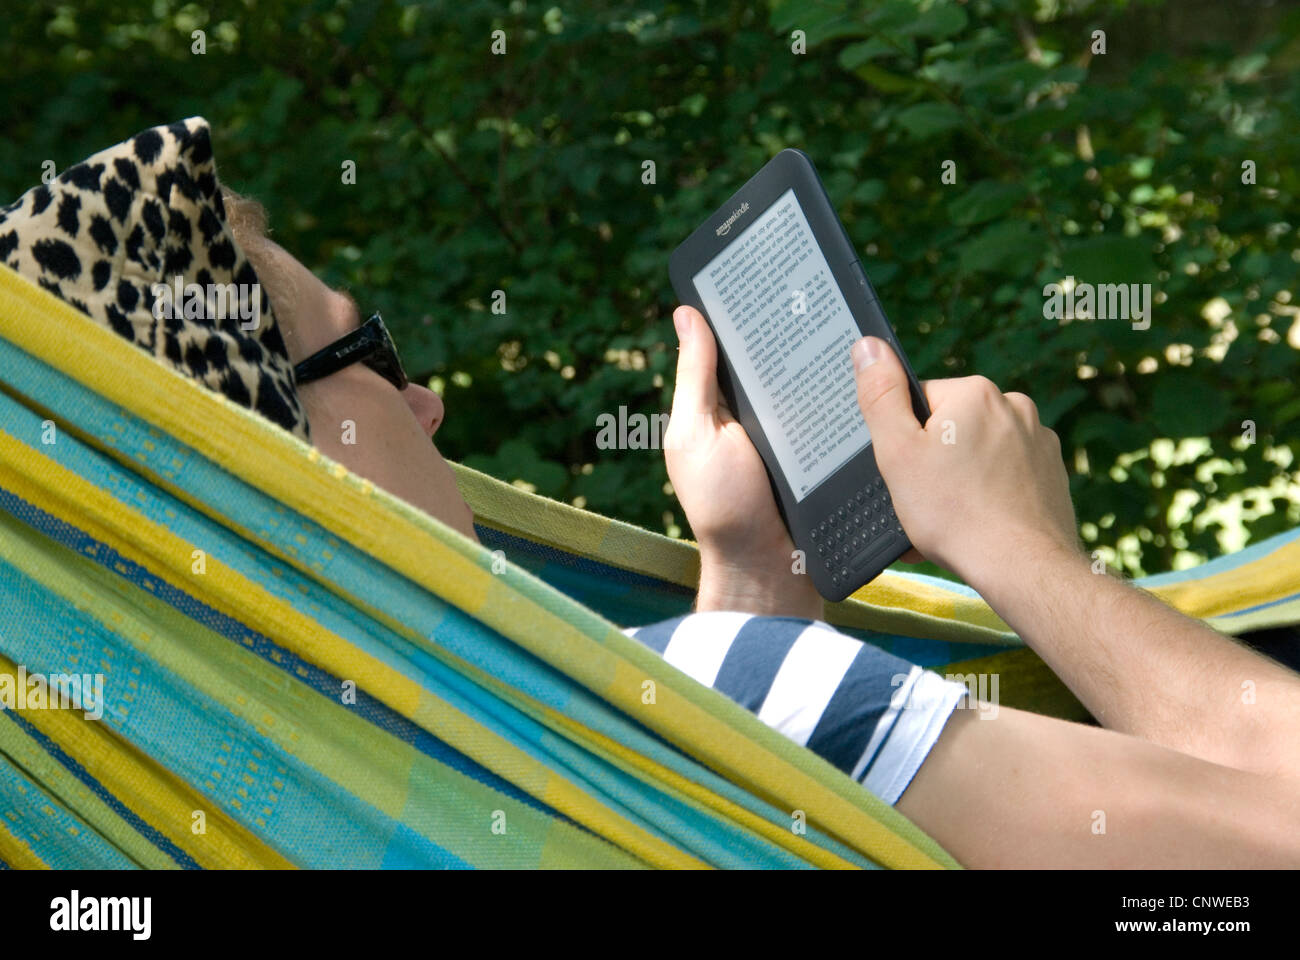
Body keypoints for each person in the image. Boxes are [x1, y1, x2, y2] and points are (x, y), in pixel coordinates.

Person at [6, 119, 1298, 867]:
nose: (427, 404)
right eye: (367, 350)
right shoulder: (701, 707)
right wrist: (1021, 553)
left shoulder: (245, 828)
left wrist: (749, 591)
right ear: (267, 460)